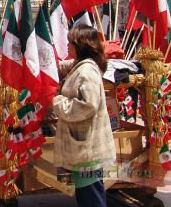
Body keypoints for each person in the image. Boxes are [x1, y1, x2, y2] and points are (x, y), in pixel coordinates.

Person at [53, 24, 116, 207]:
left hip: (88, 150)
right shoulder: (79, 66)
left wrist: (57, 102)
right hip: (83, 150)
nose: (67, 46)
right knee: (86, 195)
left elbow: (87, 105)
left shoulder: (87, 71)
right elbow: (65, 67)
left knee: (91, 198)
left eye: (70, 43)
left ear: (80, 45)